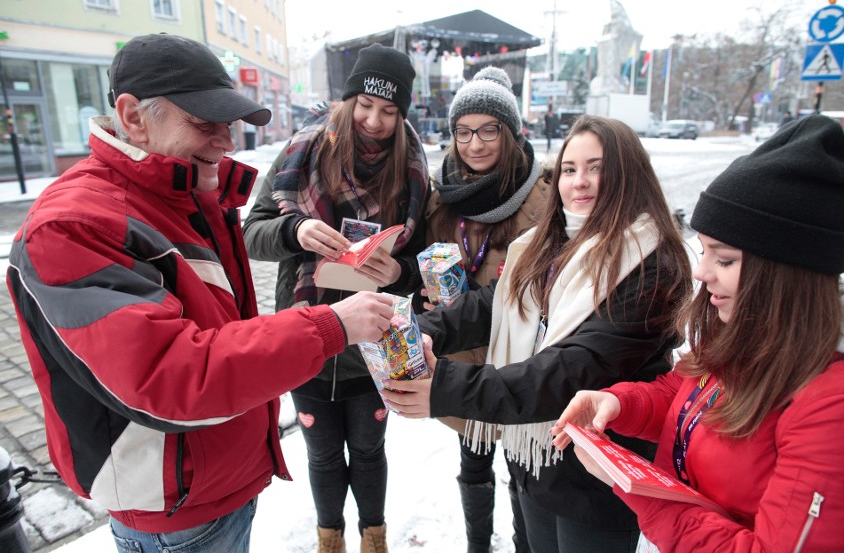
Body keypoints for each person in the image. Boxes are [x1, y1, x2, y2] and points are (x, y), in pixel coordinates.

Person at [5, 33, 396, 553]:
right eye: (202, 122)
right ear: (133, 116)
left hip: (214, 479)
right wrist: (330, 322)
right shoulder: (73, 225)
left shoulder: (184, 191)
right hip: (175, 508)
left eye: (228, 123)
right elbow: (169, 376)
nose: (227, 141)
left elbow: (218, 331)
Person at [386, 114, 692, 552]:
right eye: (569, 169)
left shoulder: (649, 265)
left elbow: (573, 369)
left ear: (629, 174)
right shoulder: (546, 244)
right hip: (534, 456)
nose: (579, 182)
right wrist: (416, 331)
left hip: (593, 476)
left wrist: (444, 386)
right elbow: (490, 305)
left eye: (596, 167)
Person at [551, 114, 844, 552]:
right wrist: (618, 402)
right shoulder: (740, 333)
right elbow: (684, 395)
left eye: (724, 260)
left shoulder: (829, 409)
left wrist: (639, 491)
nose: (702, 272)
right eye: (704, 251)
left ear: (785, 273)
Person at [242, 43, 429, 553]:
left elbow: (431, 259)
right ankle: (331, 540)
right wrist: (295, 230)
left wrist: (401, 270)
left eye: (389, 111)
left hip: (375, 342)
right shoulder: (302, 151)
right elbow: (251, 233)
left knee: (370, 452)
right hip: (309, 337)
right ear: (348, 100)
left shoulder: (412, 169)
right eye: (365, 105)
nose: (373, 120)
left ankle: (375, 539)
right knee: (322, 456)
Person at [419, 66, 551, 553]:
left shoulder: (543, 197)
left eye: (488, 130)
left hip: (520, 358)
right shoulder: (442, 197)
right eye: (464, 131)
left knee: (523, 469)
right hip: (463, 356)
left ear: (511, 133)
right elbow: (426, 262)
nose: (474, 144)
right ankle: (478, 545)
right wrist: (428, 296)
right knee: (473, 459)